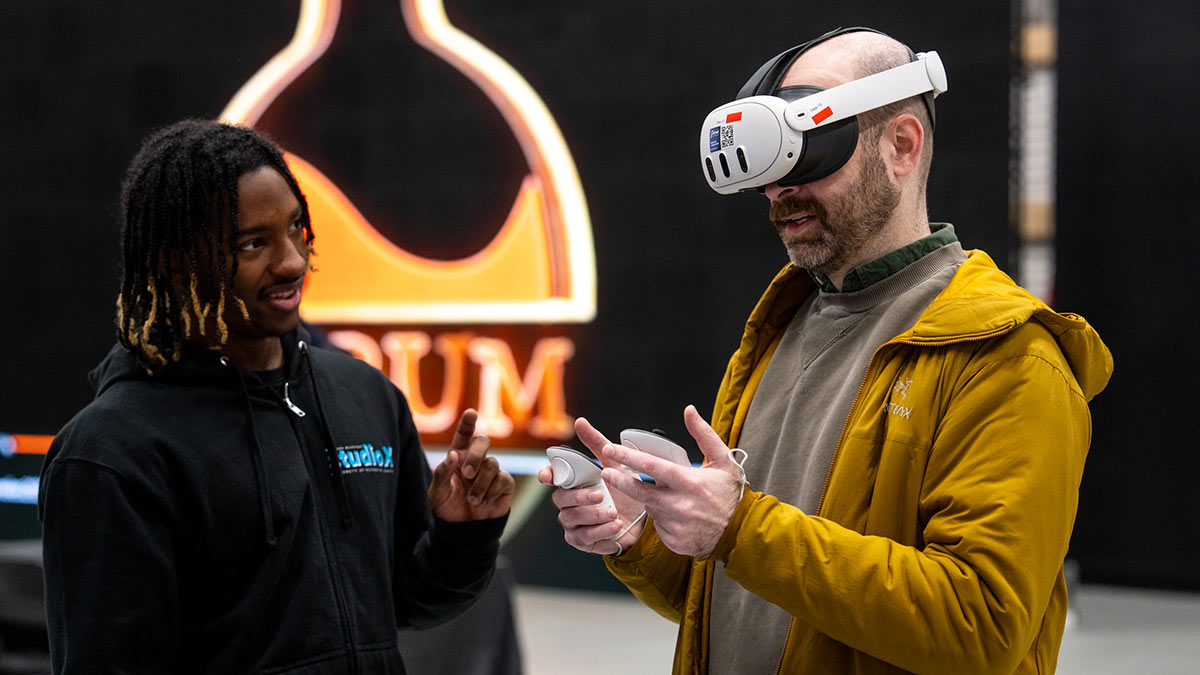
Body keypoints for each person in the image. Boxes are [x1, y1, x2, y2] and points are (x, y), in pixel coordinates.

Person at [540, 28, 1112, 674]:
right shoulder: (779, 329)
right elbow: (736, 592)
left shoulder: (1006, 356)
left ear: (902, 146)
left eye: (808, 150)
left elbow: (978, 625)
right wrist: (644, 534)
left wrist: (739, 525)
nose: (781, 188)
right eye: (772, 164)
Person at [39, 119, 515, 674]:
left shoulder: (366, 396)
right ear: (175, 261)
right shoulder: (110, 453)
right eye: (252, 243)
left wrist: (463, 534)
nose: (290, 261)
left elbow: (409, 601)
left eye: (295, 228)